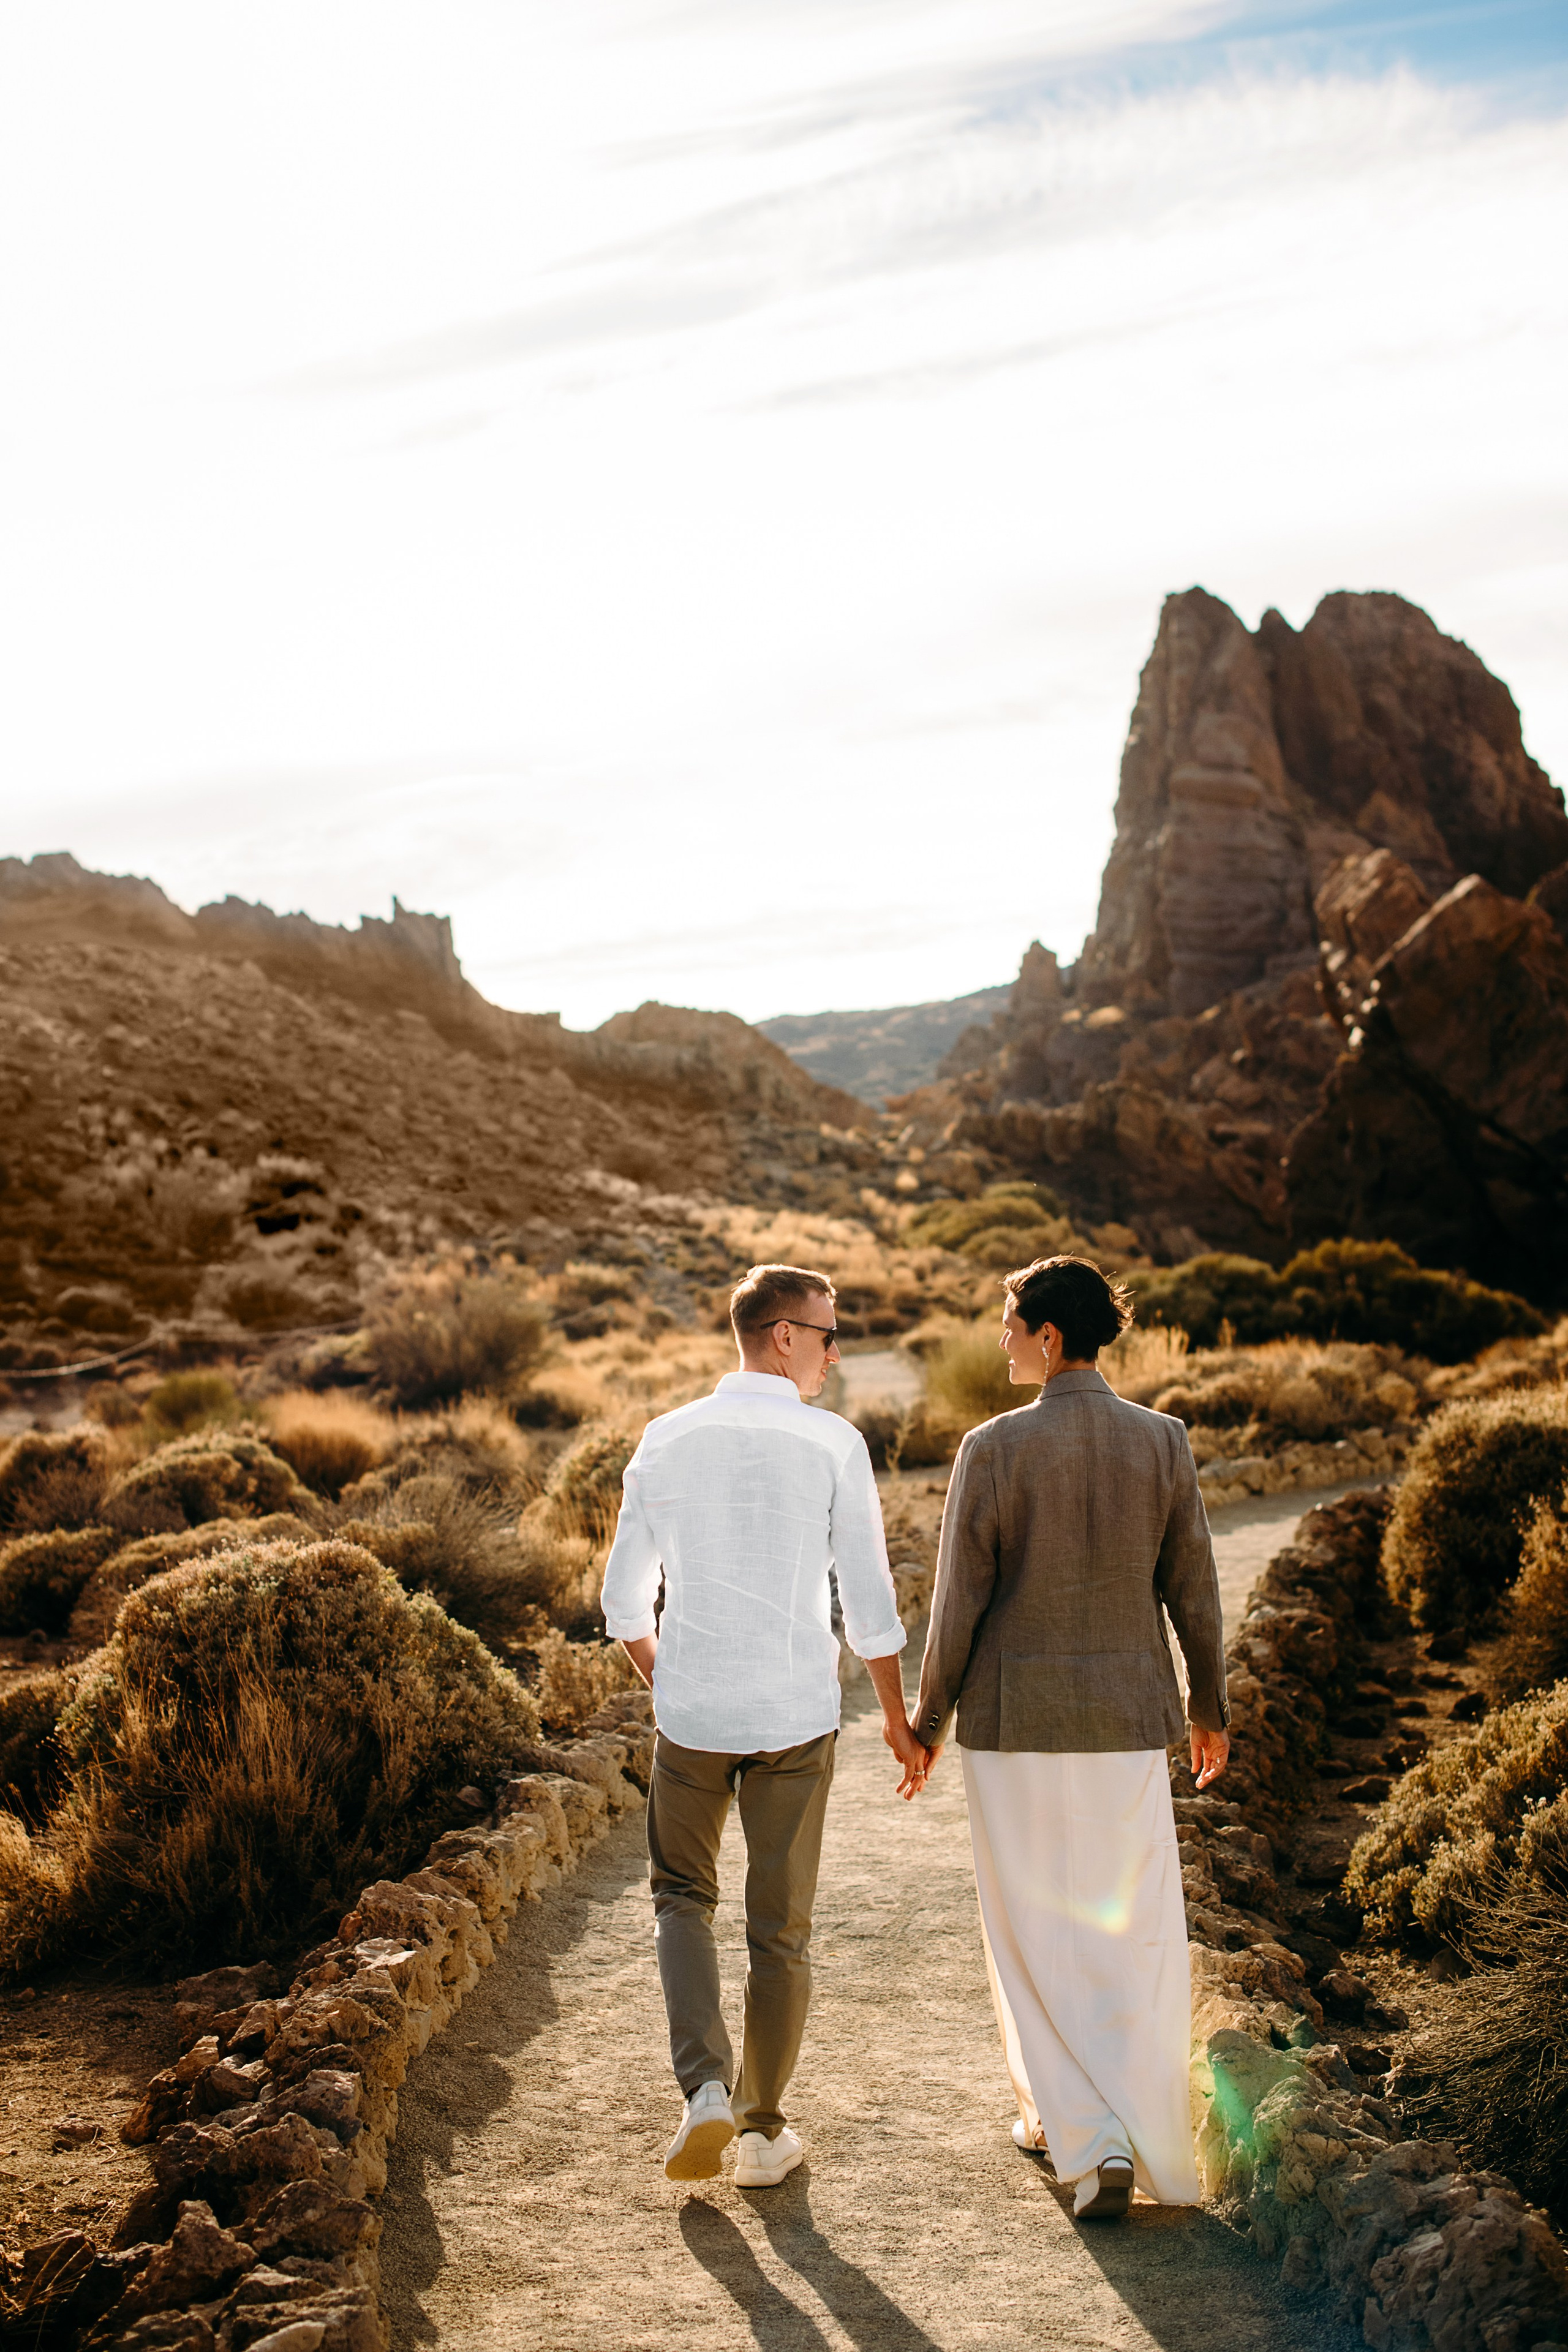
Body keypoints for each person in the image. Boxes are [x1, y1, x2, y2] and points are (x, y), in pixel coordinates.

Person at [911, 1254, 1229, 2222]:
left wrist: (927, 1724)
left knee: (1031, 1932)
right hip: (1129, 1724)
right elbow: (1196, 1593)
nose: (1001, 1338)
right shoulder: (1163, 1441)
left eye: (1010, 1322)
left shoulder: (994, 1448)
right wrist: (1209, 1706)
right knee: (1131, 1932)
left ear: (1050, 1337)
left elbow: (957, 1605)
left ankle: (1084, 2145)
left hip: (1014, 1729)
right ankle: (1132, 2135)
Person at [601, 1261, 927, 2189]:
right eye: (829, 1334)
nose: (834, 1353)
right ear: (784, 1334)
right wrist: (899, 1720)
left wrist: (668, 1680)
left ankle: (704, 2089)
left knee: (680, 1901)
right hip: (793, 1718)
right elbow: (866, 1601)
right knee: (780, 1933)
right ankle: (759, 2134)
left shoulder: (664, 1439)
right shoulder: (831, 1444)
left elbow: (625, 1602)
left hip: (694, 1719)